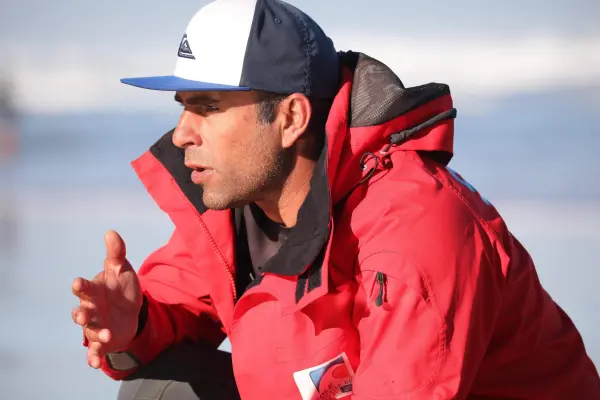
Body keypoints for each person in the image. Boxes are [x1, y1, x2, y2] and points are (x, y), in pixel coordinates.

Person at [71, 0, 600, 399]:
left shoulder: (418, 229)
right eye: (183, 106)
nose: (182, 133)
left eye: (207, 107)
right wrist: (132, 323)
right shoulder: (243, 209)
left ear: (291, 119)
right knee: (158, 389)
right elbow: (170, 308)